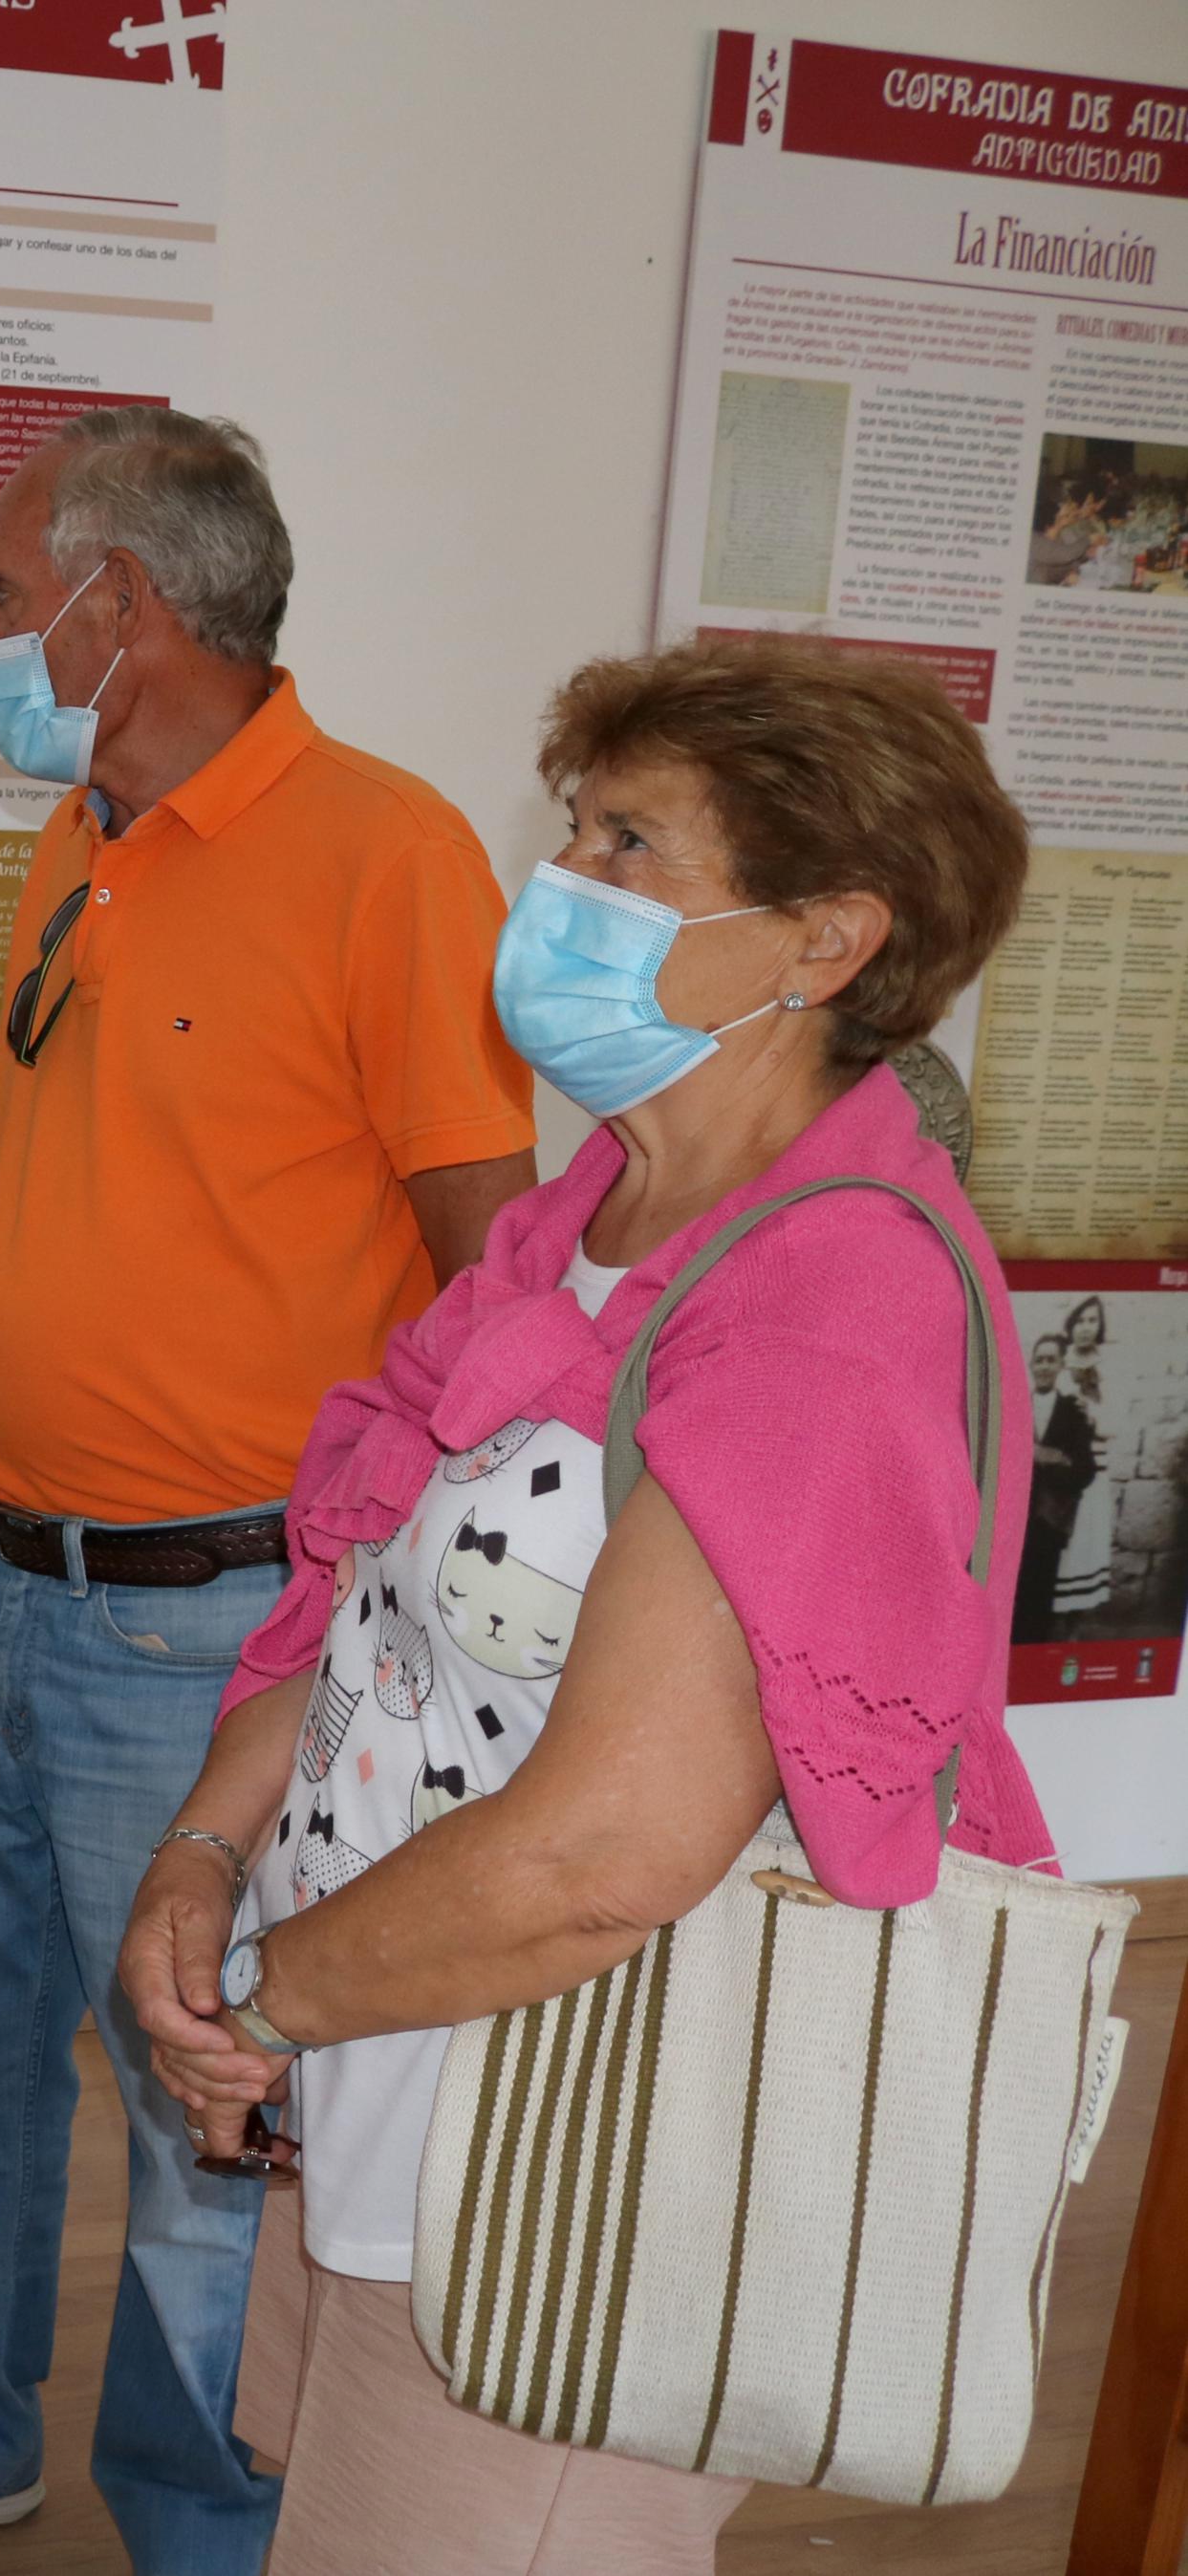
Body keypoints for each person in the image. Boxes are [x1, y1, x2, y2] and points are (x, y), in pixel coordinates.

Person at [119, 631, 1053, 2576]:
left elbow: (600, 1856)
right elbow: (372, 1606)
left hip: (574, 2168)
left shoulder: (826, 1307)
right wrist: (204, 1853)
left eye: (627, 843)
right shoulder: (594, 1219)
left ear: (821, 938)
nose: (560, 885)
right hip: (396, 2086)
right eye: (572, 825)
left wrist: (254, 2007)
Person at [0, 407, 535, 2569]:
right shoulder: (81, 830)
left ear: (120, 604)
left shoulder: (384, 855)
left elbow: (492, 1256)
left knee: (197, 2085)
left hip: (206, 1622)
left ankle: (203, 2514)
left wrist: (409, 1592)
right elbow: (57, 1177)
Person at [1054, 1295, 1120, 1630]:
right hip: (1065, 1471)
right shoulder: (1058, 1364)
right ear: (1071, 1325)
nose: (1085, 1328)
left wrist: (1091, 1416)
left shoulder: (1110, 1369)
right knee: (1060, 1544)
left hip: (1096, 1472)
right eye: (1080, 1320)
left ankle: (1075, 1625)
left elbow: (1115, 1424)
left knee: (1086, 1544)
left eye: (1092, 1321)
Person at [1021, 1332, 1087, 1642]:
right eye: (1040, 1359)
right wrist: (1033, 1454)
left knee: (1042, 1591)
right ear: (1032, 1365)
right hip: (1015, 1519)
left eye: (1051, 1359)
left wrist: (1047, 1462)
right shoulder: (1015, 1407)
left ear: (1060, 1365)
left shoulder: (1072, 1413)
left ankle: (1035, 1649)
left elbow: (1086, 1470)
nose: (1045, 1366)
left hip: (1050, 1519)